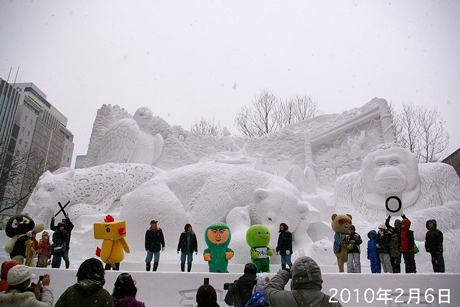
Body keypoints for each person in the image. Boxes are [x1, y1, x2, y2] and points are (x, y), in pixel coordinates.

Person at [263, 256, 342, 307]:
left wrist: (284, 274)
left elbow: (269, 290)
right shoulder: (332, 303)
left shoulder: (287, 299)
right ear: (318, 277)